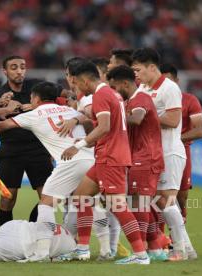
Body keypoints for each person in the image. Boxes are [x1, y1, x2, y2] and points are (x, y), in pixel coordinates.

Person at [0, 81, 111, 262]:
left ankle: (41, 253)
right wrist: (77, 119)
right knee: (89, 203)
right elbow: (87, 119)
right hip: (90, 159)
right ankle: (105, 250)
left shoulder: (34, 114)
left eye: (32, 97)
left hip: (70, 162)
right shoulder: (71, 111)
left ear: (36, 98)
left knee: (45, 204)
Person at [61, 61, 150, 265]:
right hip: (107, 155)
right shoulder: (112, 94)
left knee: (117, 205)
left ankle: (141, 254)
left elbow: (105, 126)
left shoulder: (101, 95)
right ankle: (82, 249)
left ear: (85, 80)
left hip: (112, 158)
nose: (76, 87)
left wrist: (80, 144)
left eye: (76, 83)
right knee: (81, 196)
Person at [132, 48, 196, 261]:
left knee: (165, 202)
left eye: (139, 70)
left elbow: (173, 120)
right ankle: (185, 248)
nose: (136, 75)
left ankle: (179, 249)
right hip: (151, 153)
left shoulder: (169, 88)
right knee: (156, 202)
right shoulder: (142, 87)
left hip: (169, 152)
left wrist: (146, 117)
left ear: (152, 67)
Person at [107, 65, 168, 261]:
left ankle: (139, 253)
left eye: (115, 87)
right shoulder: (131, 100)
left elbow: (137, 118)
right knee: (143, 204)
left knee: (138, 204)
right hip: (139, 157)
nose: (114, 92)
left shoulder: (140, 98)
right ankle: (155, 249)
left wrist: (116, 115)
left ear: (125, 83)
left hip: (145, 157)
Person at [0, 56, 53, 227]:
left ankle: (34, 231)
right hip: (10, 150)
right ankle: (4, 239)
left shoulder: (36, 88)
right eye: (14, 67)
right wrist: (1, 106)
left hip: (38, 149)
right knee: (7, 198)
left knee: (48, 197)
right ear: (5, 71)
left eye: (22, 67)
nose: (19, 71)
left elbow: (58, 98)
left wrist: (37, 106)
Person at [160, 63, 202, 222]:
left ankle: (180, 227)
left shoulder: (189, 100)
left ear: (177, 81)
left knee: (181, 196)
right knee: (157, 197)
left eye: (169, 81)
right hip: (154, 151)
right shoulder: (152, 99)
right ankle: (161, 241)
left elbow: (200, 130)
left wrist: (173, 139)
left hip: (179, 150)